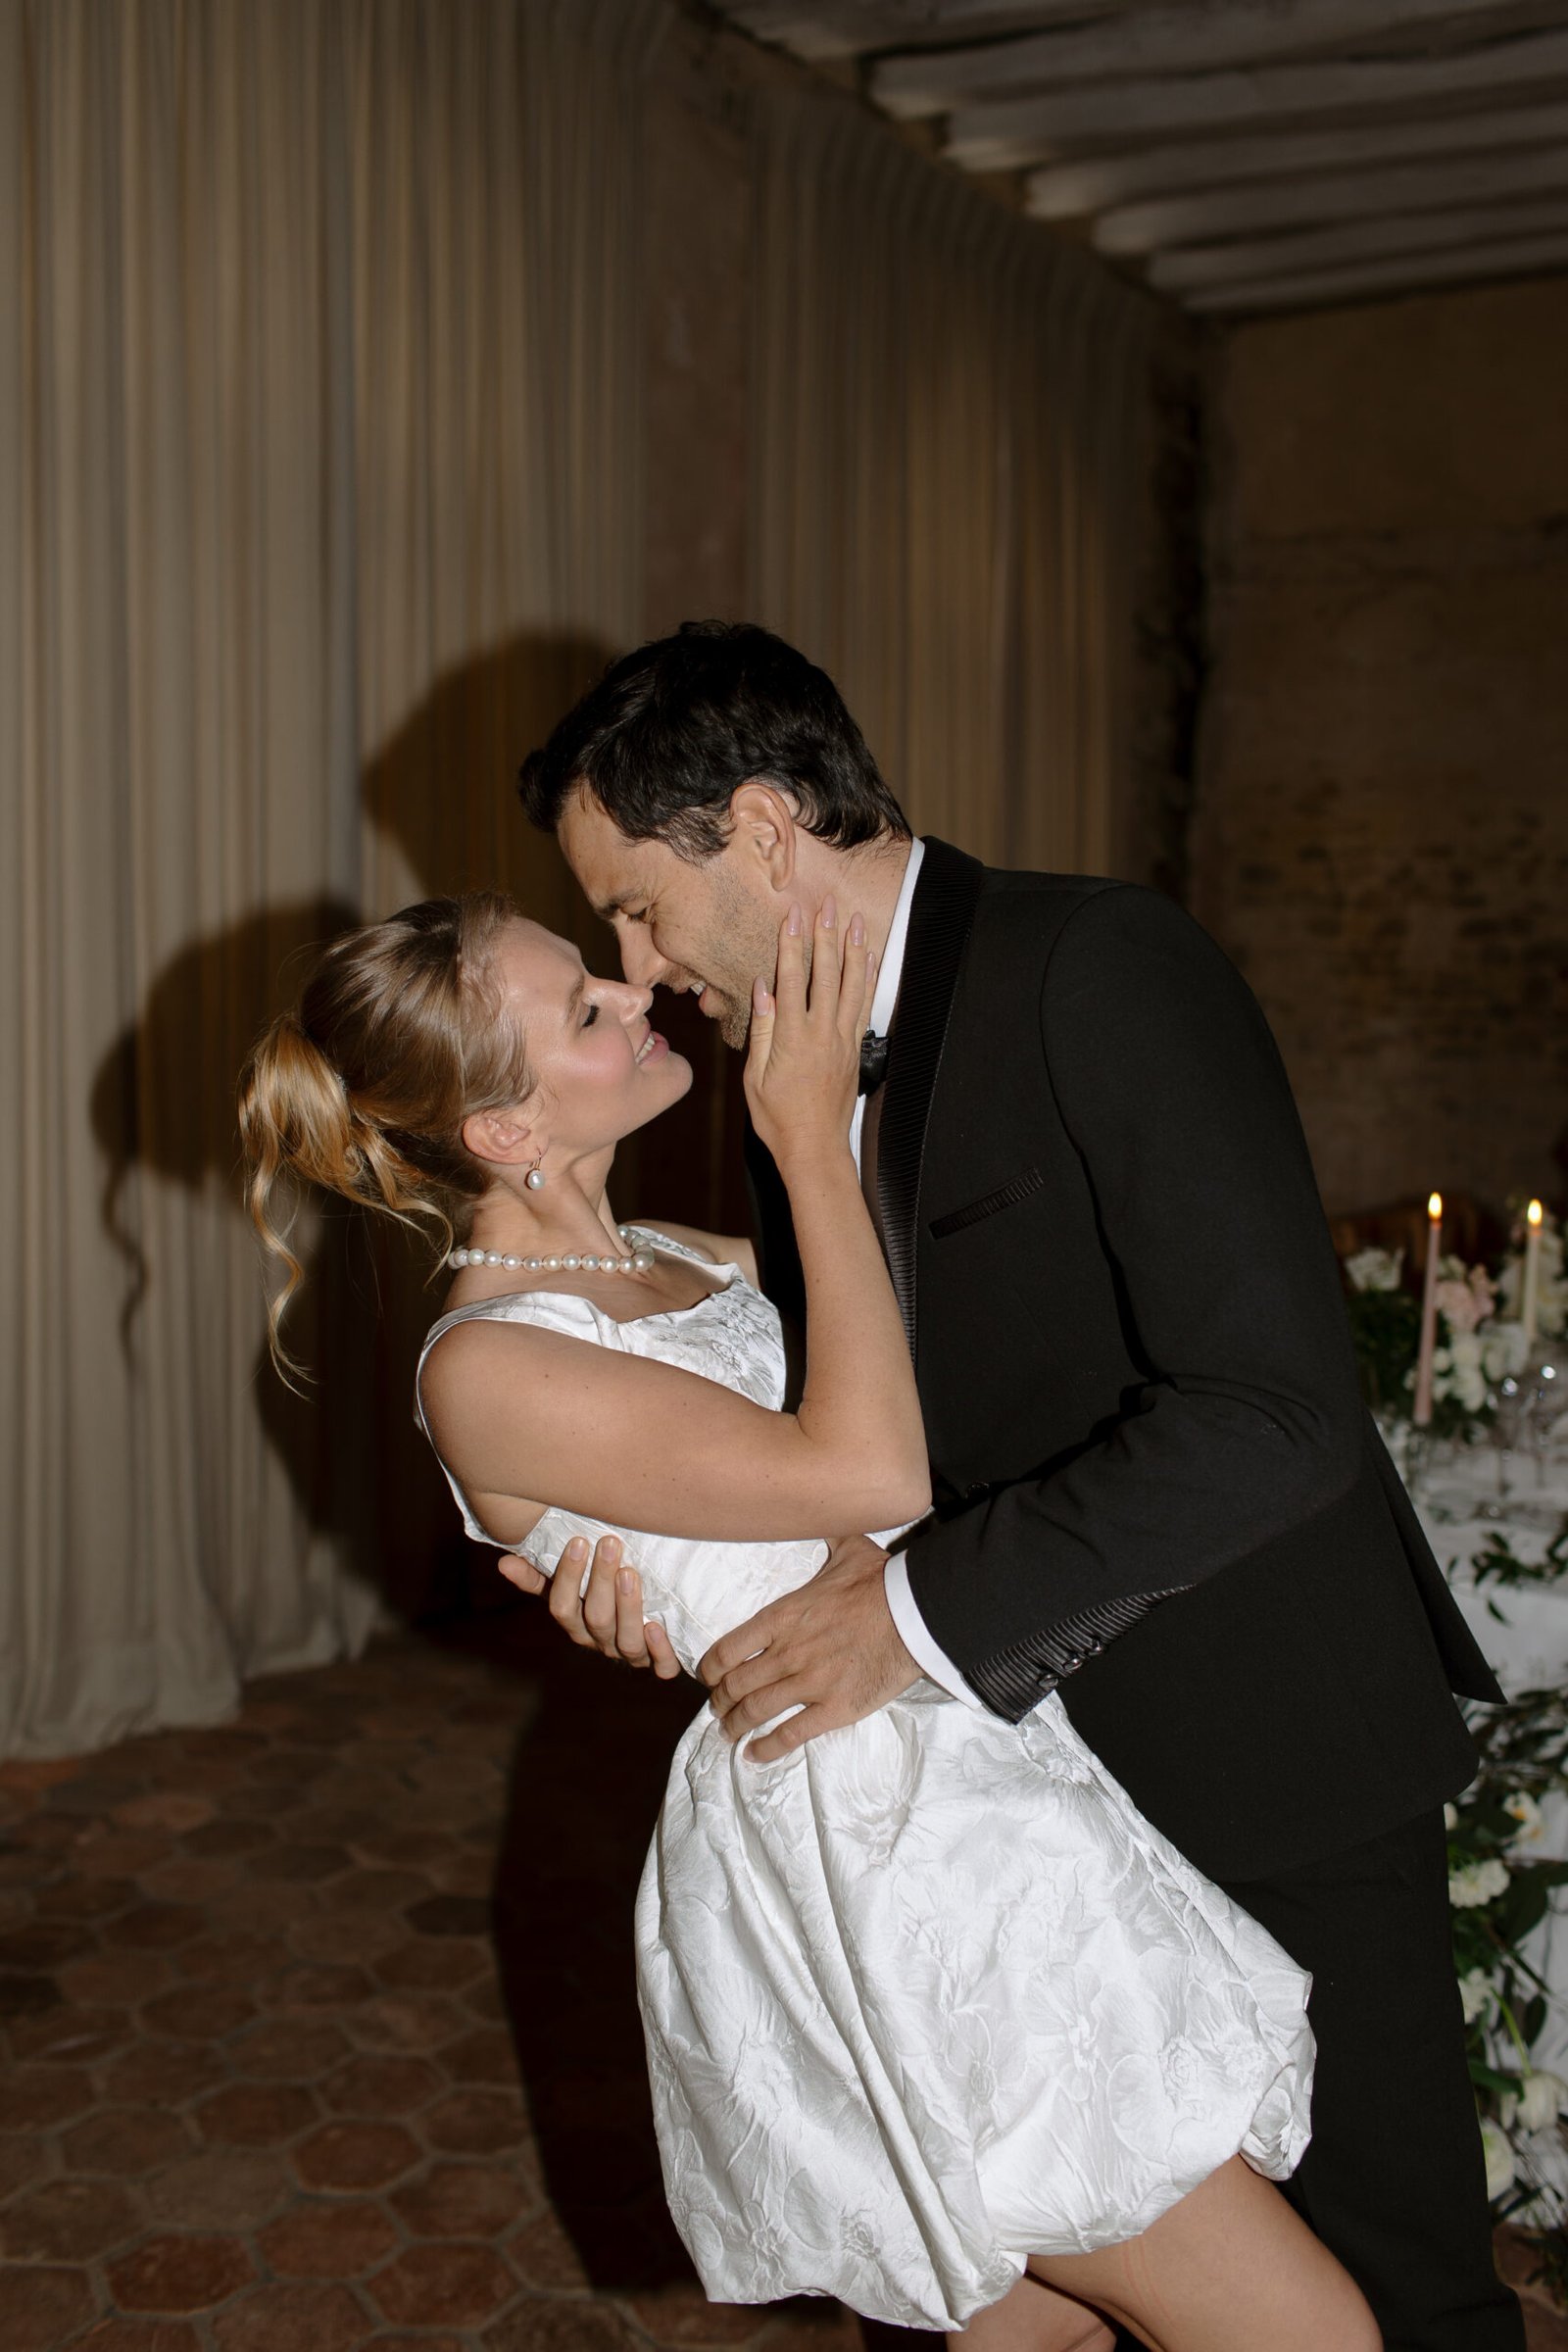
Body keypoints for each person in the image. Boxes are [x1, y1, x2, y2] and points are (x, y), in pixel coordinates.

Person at [514, 619, 1522, 2352]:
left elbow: (1277, 1415)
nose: (643, 963)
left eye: (636, 906)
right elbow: (858, 1415)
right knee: (1056, 2293)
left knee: (1394, 2292)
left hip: (1257, 1737)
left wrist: (908, 1617)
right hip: (1022, 1810)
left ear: (760, 833)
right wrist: (668, 1556)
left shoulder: (1100, 966)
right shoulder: (786, 1079)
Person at [238, 888, 1377, 2352]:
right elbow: (871, 1465)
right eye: (585, 1011)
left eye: (601, 973)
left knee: (1041, 2324)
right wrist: (804, 1140)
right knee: (1306, 2333)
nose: (633, 994)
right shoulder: (487, 1362)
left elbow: (910, 1347)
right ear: (505, 1135)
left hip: (949, 1750)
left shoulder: (661, 1253)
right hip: (886, 1831)